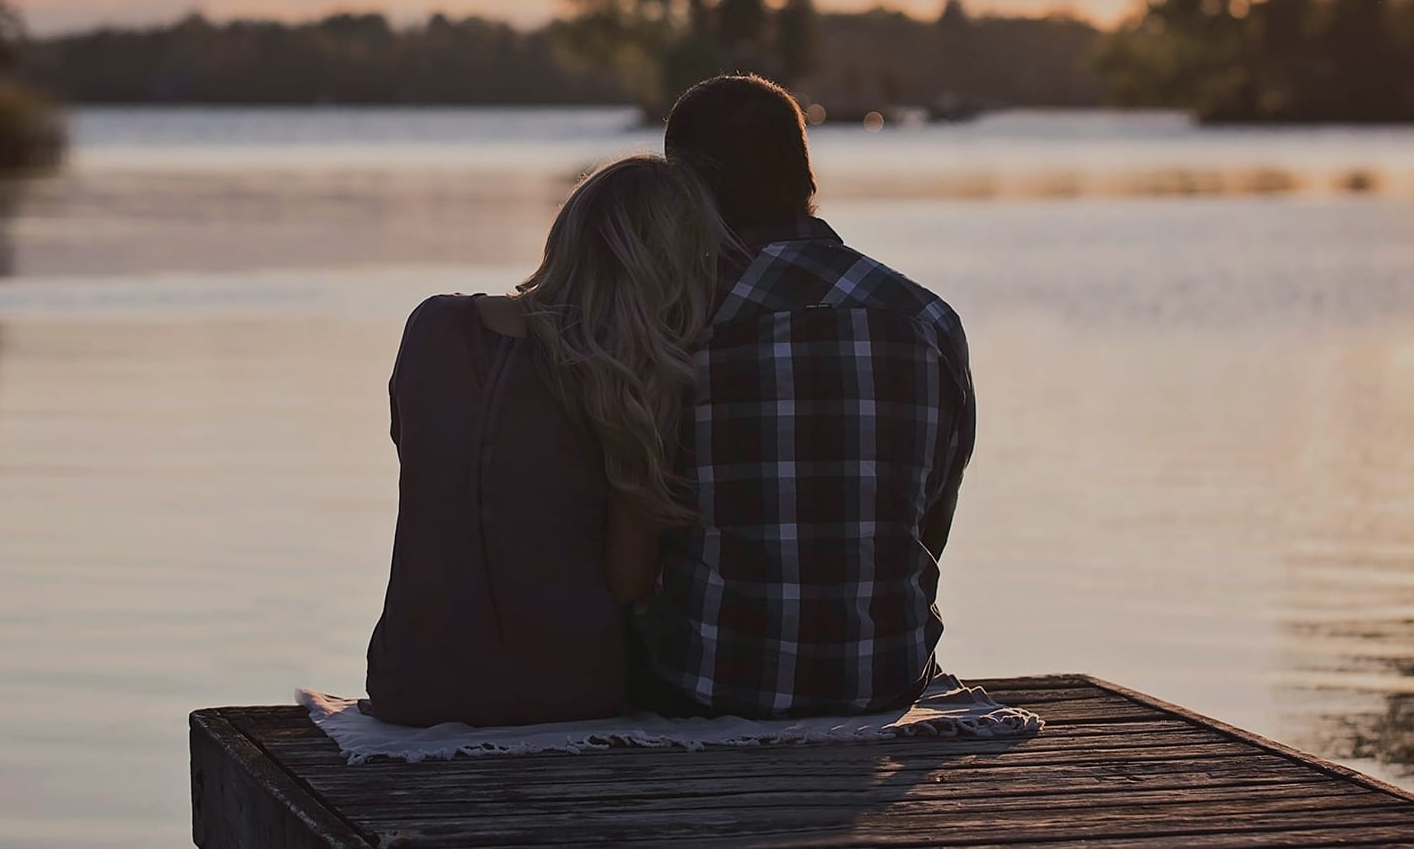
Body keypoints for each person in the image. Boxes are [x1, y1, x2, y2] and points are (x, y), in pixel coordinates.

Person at [632, 74, 977, 719]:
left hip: (703, 686)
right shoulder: (927, 318)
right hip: (884, 680)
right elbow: (930, 517)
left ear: (681, 188)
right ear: (807, 177)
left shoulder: (670, 323)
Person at [362, 156, 729, 727]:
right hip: (567, 692)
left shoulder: (433, 326)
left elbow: (422, 458)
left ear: (567, 233)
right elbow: (628, 580)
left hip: (410, 682)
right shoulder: (634, 378)